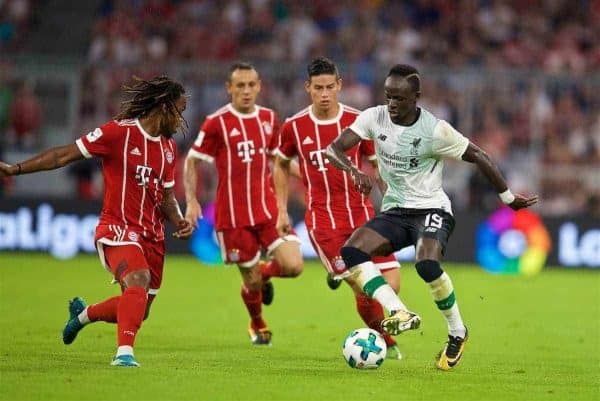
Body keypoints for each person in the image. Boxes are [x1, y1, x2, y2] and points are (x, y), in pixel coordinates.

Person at [325, 64, 538, 370]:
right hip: (397, 210)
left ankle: (457, 331)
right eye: (388, 96)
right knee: (352, 251)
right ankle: (399, 312)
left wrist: (507, 198)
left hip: (432, 209)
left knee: (426, 264)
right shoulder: (374, 117)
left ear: (417, 97)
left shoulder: (435, 131)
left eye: (399, 98)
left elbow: (479, 156)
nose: (392, 104)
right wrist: (354, 171)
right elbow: (334, 149)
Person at [0, 76, 194, 367]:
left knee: (139, 309)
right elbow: (62, 155)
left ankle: (83, 314)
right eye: (179, 111)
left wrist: (179, 220)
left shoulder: (168, 150)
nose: (181, 121)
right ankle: (124, 355)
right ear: (164, 106)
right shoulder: (117, 134)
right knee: (137, 281)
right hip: (118, 228)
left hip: (152, 237)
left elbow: (166, 196)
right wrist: (16, 169)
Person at [273, 57, 403, 360]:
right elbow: (280, 164)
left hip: (363, 217)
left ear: (339, 85)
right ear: (308, 88)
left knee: (391, 284)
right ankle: (386, 342)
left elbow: (377, 165)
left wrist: (393, 198)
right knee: (364, 287)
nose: (324, 94)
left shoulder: (360, 121)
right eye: (318, 88)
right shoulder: (293, 126)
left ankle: (345, 282)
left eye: (330, 87)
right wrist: (281, 210)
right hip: (324, 223)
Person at [184, 62, 303, 346]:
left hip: (268, 209)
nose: (246, 91)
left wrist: (312, 176)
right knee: (250, 285)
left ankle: (262, 272)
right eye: (240, 86)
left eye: (251, 85)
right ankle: (257, 323)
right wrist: (190, 201)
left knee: (294, 265)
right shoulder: (216, 122)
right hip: (232, 216)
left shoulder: (268, 118)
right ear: (230, 88)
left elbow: (279, 159)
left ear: (259, 86)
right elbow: (192, 160)